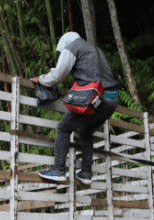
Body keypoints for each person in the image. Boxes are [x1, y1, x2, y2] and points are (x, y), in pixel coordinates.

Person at [31, 32, 119, 185]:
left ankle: (58, 169)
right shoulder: (95, 49)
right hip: (111, 99)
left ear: (64, 44)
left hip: (97, 99)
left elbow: (58, 75)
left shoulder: (72, 47)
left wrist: (41, 79)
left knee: (63, 127)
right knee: (86, 132)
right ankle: (85, 172)